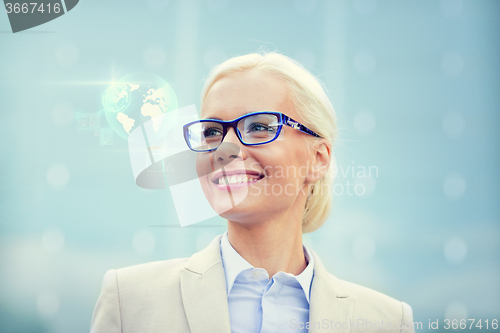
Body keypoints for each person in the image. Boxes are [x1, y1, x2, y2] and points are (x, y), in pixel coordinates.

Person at [90, 52, 414, 333]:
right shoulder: (129, 301)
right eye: (212, 132)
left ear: (318, 159)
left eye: (259, 126)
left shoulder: (385, 322)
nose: (226, 149)